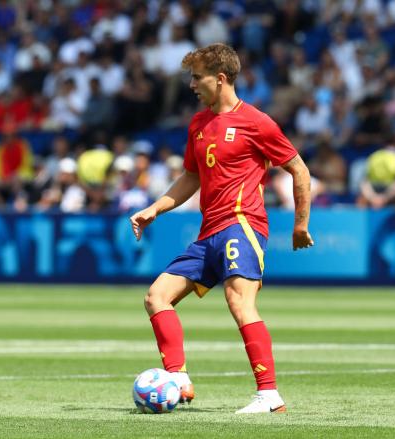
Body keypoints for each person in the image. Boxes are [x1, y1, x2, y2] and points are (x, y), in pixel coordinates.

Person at [129, 43, 314, 414]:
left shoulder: (257, 122)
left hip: (242, 223)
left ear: (222, 78)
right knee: (156, 297)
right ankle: (178, 378)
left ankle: (269, 394)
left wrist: (300, 224)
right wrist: (155, 209)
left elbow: (299, 169)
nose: (193, 85)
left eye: (197, 78)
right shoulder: (198, 123)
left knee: (239, 302)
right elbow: (190, 178)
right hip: (207, 231)